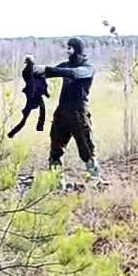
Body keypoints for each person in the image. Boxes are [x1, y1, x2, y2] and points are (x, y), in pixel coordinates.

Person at [32, 37, 103, 187]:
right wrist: (35, 70)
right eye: (67, 48)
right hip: (62, 112)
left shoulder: (87, 68)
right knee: (56, 148)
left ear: (77, 49)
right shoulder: (66, 65)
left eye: (70, 48)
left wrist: (48, 69)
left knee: (86, 149)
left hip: (78, 112)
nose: (67, 51)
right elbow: (51, 72)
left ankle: (95, 181)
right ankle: (56, 183)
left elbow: (74, 73)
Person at [8, 55, 49, 138]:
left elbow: (39, 80)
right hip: (34, 94)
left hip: (32, 94)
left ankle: (12, 133)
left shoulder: (27, 71)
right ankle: (39, 127)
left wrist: (44, 91)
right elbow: (39, 81)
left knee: (29, 115)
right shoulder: (32, 70)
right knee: (41, 109)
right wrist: (44, 91)